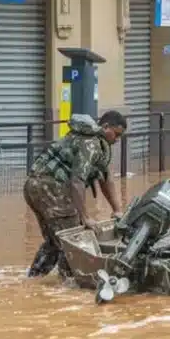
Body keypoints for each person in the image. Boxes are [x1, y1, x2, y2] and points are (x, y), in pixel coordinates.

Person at [24, 111, 126, 278]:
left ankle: (34, 279)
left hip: (33, 187)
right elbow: (77, 180)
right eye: (116, 134)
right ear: (105, 126)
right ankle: (70, 285)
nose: (117, 140)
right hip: (51, 188)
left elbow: (106, 179)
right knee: (74, 239)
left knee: (54, 241)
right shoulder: (91, 144)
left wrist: (117, 210)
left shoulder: (96, 144)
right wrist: (85, 217)